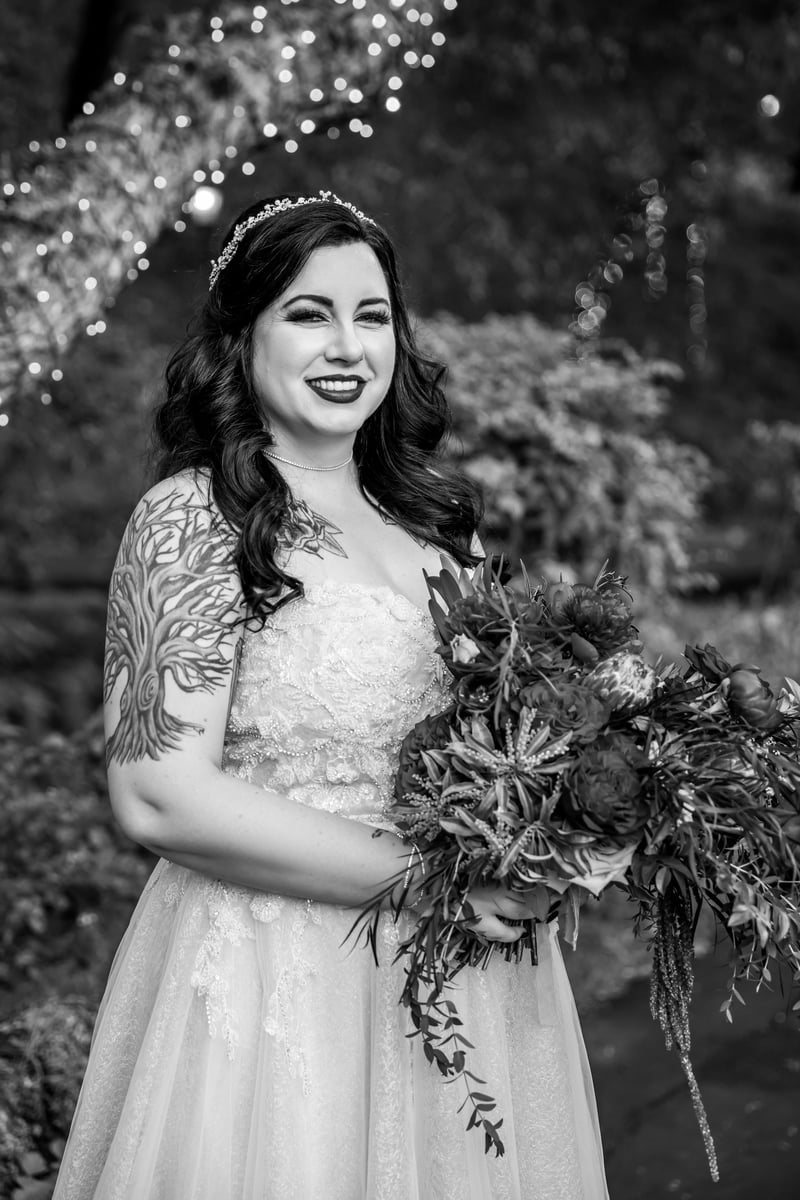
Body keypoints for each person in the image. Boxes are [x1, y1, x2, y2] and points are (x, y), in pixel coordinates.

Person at [53, 190, 609, 1199]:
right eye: (308, 314)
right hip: (279, 967)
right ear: (241, 336)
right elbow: (158, 794)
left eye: (371, 315)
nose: (347, 346)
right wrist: (432, 881)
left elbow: (500, 740)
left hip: (471, 974)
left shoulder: (438, 525)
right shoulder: (193, 520)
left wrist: (552, 836)